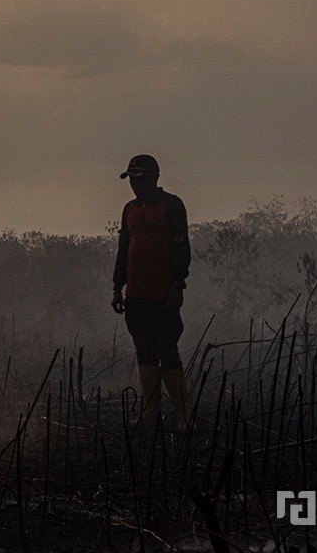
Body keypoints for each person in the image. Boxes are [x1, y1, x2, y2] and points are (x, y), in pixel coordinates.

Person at [111, 154, 191, 429]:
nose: (134, 183)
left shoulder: (172, 205)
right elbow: (124, 250)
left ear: (155, 177)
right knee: (144, 353)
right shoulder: (129, 209)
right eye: (131, 178)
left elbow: (181, 247)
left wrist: (178, 284)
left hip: (163, 295)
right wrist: (117, 287)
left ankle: (184, 417)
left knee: (167, 352)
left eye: (139, 177)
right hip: (136, 296)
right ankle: (150, 416)